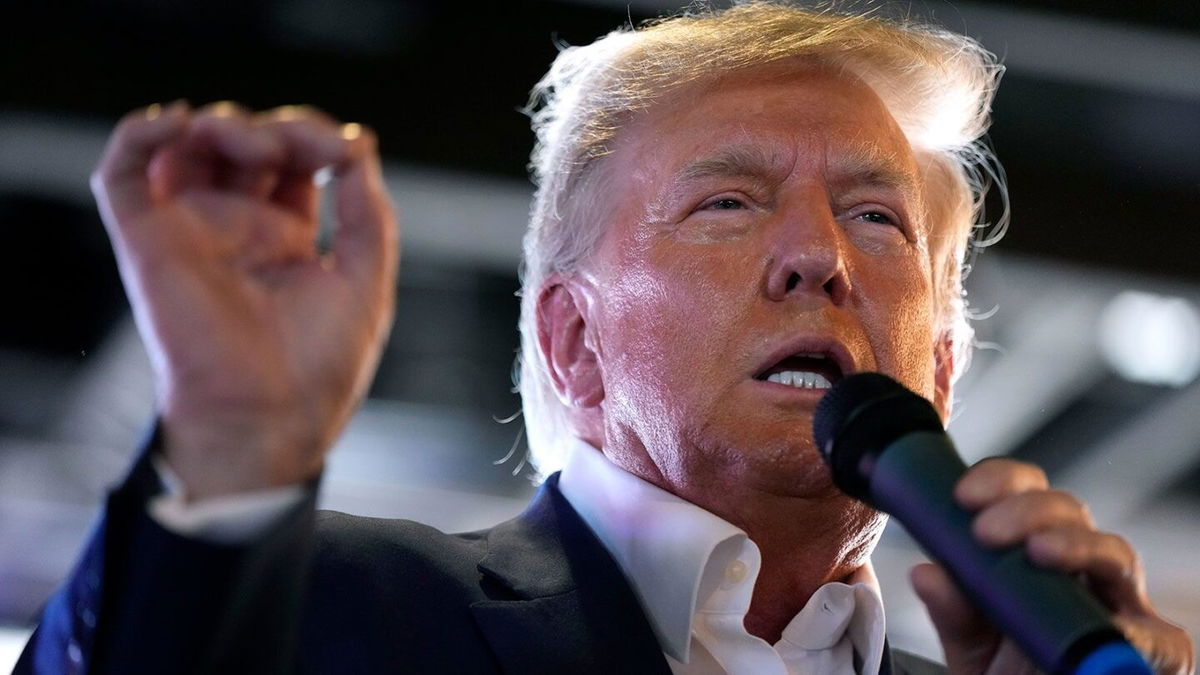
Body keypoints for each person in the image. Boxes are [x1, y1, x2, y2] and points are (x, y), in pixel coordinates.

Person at [16, 3, 1195, 674]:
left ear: (940, 366)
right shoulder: (328, 613)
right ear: (573, 345)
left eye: (877, 218)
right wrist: (229, 446)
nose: (820, 258)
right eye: (727, 203)